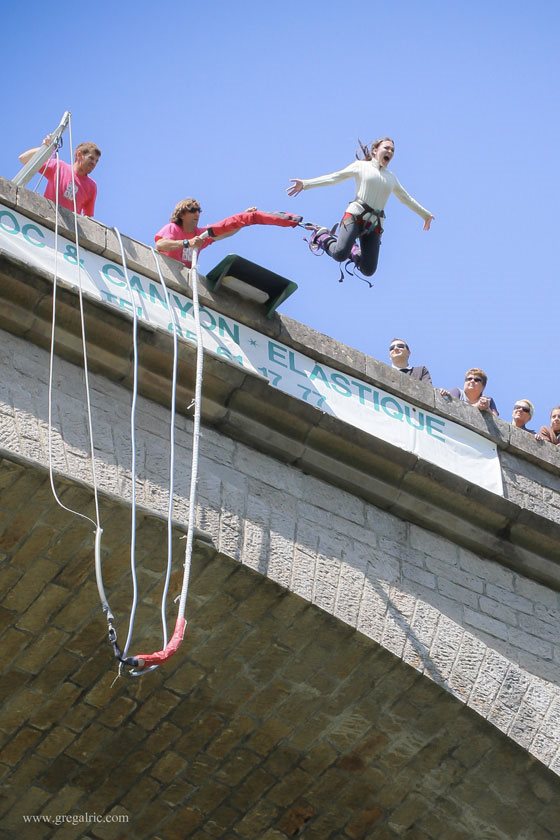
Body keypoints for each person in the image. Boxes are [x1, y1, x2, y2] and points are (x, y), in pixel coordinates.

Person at [286, 137, 434, 277]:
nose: (390, 152)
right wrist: (305, 184)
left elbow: (406, 198)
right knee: (339, 254)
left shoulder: (391, 178)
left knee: (368, 270)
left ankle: (355, 251)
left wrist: (425, 214)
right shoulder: (361, 166)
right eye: (386, 148)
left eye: (392, 150)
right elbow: (334, 177)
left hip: (374, 225)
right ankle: (322, 236)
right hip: (355, 217)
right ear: (375, 150)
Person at [155, 198, 304, 268]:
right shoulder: (172, 228)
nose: (197, 214)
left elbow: (224, 232)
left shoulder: (200, 234)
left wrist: (244, 220)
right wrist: (188, 243)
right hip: (166, 270)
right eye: (192, 210)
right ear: (181, 214)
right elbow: (160, 244)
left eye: (198, 211)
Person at [18, 135, 101, 216]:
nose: (94, 163)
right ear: (79, 155)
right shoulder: (58, 166)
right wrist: (45, 148)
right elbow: (24, 158)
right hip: (47, 218)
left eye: (96, 161)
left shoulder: (92, 187)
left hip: (68, 228)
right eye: (91, 158)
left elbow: (88, 217)